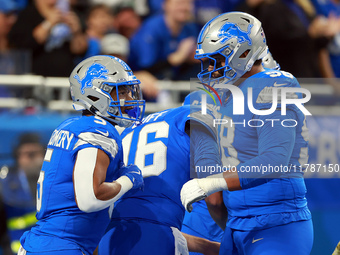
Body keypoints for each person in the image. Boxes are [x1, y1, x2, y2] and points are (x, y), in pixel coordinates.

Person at [180, 12, 313, 254]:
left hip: (275, 223)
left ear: (242, 53)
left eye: (217, 60)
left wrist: (213, 183)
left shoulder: (271, 86)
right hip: (237, 223)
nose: (210, 69)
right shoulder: (220, 97)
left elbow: (275, 160)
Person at [18, 55, 145, 255]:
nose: (130, 98)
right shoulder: (97, 130)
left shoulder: (70, 126)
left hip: (45, 243)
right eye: (121, 91)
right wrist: (129, 180)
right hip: (60, 246)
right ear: (95, 94)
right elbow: (89, 199)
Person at [97, 99, 221, 254]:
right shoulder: (195, 121)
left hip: (112, 233)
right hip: (157, 233)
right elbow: (215, 201)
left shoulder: (129, 130)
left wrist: (208, 246)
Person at [8, 0, 87, 77]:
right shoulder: (27, 14)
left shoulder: (68, 12)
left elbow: (79, 51)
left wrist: (77, 32)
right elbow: (25, 44)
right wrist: (49, 23)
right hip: (38, 79)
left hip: (65, 78)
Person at [0, 133, 44, 254]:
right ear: (17, 156)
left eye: (36, 154)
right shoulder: (4, 184)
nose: (34, 159)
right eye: (28, 154)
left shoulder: (54, 181)